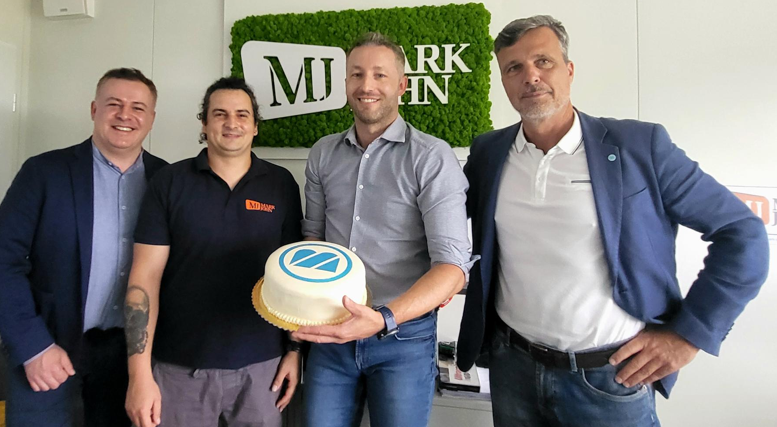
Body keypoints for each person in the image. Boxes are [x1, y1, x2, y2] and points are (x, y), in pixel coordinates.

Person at [456, 15, 770, 427]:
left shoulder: (641, 146)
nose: (530, 76)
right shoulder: (488, 152)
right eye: (514, 68)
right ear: (504, 81)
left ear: (568, 70)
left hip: (610, 377)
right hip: (513, 368)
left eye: (543, 62)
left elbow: (742, 232)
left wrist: (688, 335)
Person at [292, 32, 472, 427]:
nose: (366, 85)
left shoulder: (432, 157)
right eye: (356, 74)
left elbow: (453, 267)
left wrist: (385, 318)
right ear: (345, 85)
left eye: (379, 75)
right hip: (330, 334)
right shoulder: (323, 153)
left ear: (402, 85)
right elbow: (314, 240)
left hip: (402, 340)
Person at [0, 68, 167, 426]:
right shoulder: (43, 172)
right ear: (94, 109)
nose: (125, 115)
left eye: (138, 107)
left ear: (152, 119)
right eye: (114, 104)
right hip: (49, 347)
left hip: (129, 356)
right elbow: (0, 261)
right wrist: (32, 346)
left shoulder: (168, 180)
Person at [124, 76, 303, 427]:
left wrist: (295, 352)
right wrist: (139, 374)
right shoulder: (169, 183)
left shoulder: (281, 184)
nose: (231, 123)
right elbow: (144, 278)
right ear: (204, 124)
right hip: (178, 369)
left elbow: (293, 276)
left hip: (262, 369)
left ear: (255, 127)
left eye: (242, 115)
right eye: (219, 114)